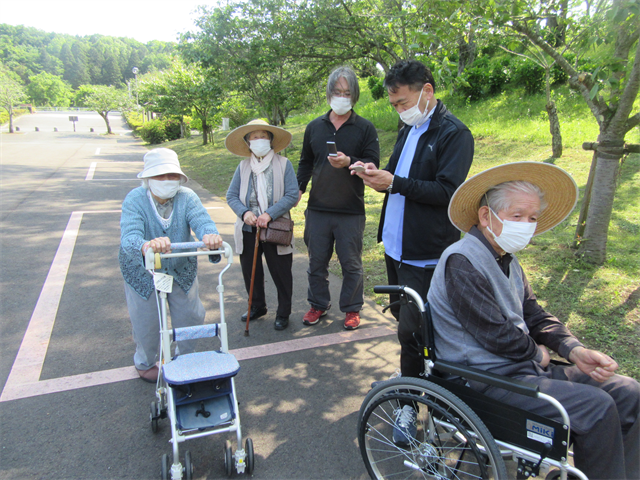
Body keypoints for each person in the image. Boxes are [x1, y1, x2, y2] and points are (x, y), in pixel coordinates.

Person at [427, 161, 640, 480]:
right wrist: (535, 353)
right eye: (517, 216)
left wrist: (573, 350)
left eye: (532, 218)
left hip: (520, 371)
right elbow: (496, 335)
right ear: (487, 217)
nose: (527, 225)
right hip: (484, 378)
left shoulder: (508, 261)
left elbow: (535, 314)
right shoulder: (462, 261)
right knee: (596, 407)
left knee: (628, 391)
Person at [352, 59, 473, 379]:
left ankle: (413, 394)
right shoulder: (409, 128)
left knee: (415, 328)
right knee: (404, 319)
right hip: (395, 245)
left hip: (425, 250)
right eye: (393, 105)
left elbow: (448, 192)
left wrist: (393, 183)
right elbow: (396, 177)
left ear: (427, 91)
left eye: (402, 102)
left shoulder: (454, 133)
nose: (398, 110)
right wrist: (375, 174)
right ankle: (418, 372)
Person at [119, 148, 223, 383]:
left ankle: (184, 356)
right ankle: (145, 363)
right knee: (146, 321)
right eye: (160, 176)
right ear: (147, 179)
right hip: (142, 271)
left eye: (172, 176)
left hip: (180, 266)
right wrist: (147, 245)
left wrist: (210, 236)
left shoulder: (187, 197)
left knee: (191, 315)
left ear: (179, 177)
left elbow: (202, 221)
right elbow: (129, 237)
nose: (167, 181)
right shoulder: (135, 199)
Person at [297, 66, 380, 330]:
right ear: (329, 94)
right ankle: (318, 305)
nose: (341, 96)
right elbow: (305, 162)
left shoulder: (365, 128)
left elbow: (372, 165)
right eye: (337, 91)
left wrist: (349, 162)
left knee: (351, 264)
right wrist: (298, 189)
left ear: (354, 95)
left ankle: (352, 309)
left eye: (346, 92)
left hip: (350, 210)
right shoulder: (314, 127)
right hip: (318, 208)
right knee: (316, 263)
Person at [226, 119, 298, 331]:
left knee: (281, 271)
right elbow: (231, 196)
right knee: (251, 270)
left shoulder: (284, 164)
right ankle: (257, 305)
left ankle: (283, 312)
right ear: (248, 142)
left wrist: (269, 214)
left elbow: (292, 194)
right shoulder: (243, 166)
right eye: (254, 136)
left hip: (275, 228)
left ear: (271, 140)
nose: (259, 140)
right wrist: (245, 212)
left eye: (263, 136)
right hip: (249, 228)